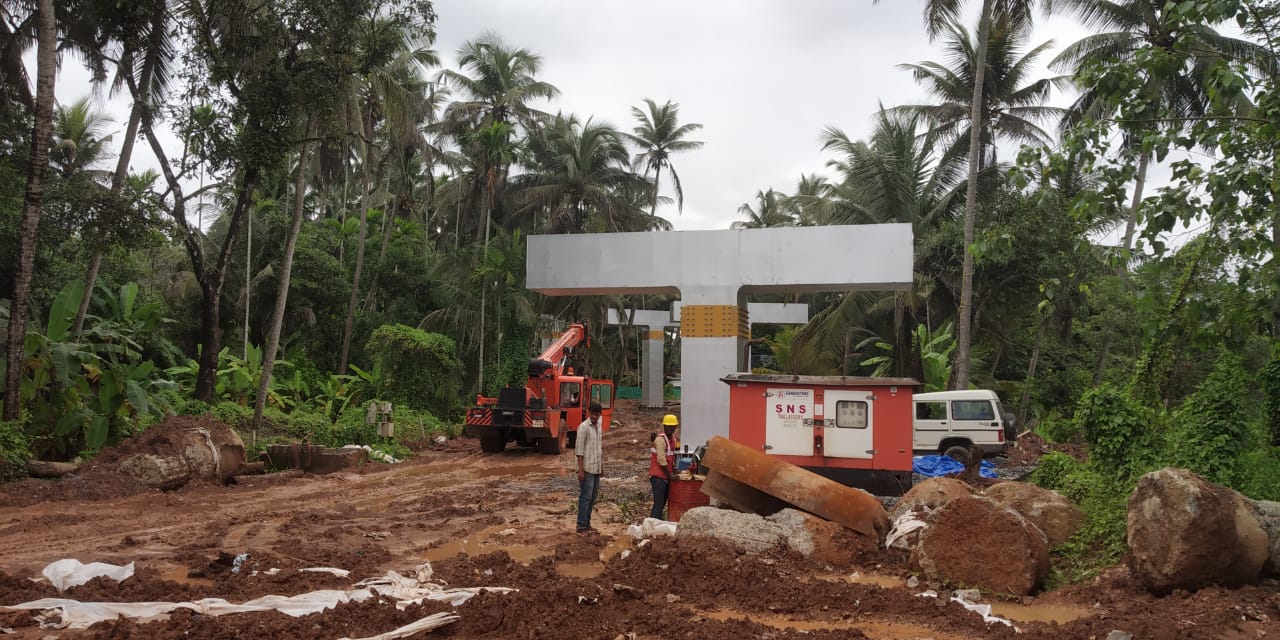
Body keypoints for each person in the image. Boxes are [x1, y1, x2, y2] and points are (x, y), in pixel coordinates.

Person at [575, 402, 604, 534]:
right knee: (585, 497)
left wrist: (601, 466)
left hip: (596, 468)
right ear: (589, 413)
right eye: (592, 414)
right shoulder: (583, 427)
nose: (594, 417)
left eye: (596, 415)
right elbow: (579, 451)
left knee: (592, 498)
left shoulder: (599, 426)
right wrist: (581, 470)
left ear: (599, 415)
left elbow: (599, 449)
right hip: (587, 469)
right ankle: (581, 525)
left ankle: (587, 523)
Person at [649, 414, 678, 520]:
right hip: (658, 476)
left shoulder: (673, 439)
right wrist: (670, 475)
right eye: (667, 426)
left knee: (662, 503)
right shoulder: (660, 440)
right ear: (664, 426)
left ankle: (656, 522)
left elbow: (672, 456)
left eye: (672, 427)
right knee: (659, 503)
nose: (669, 429)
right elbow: (661, 459)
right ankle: (653, 523)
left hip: (665, 475)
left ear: (675, 427)